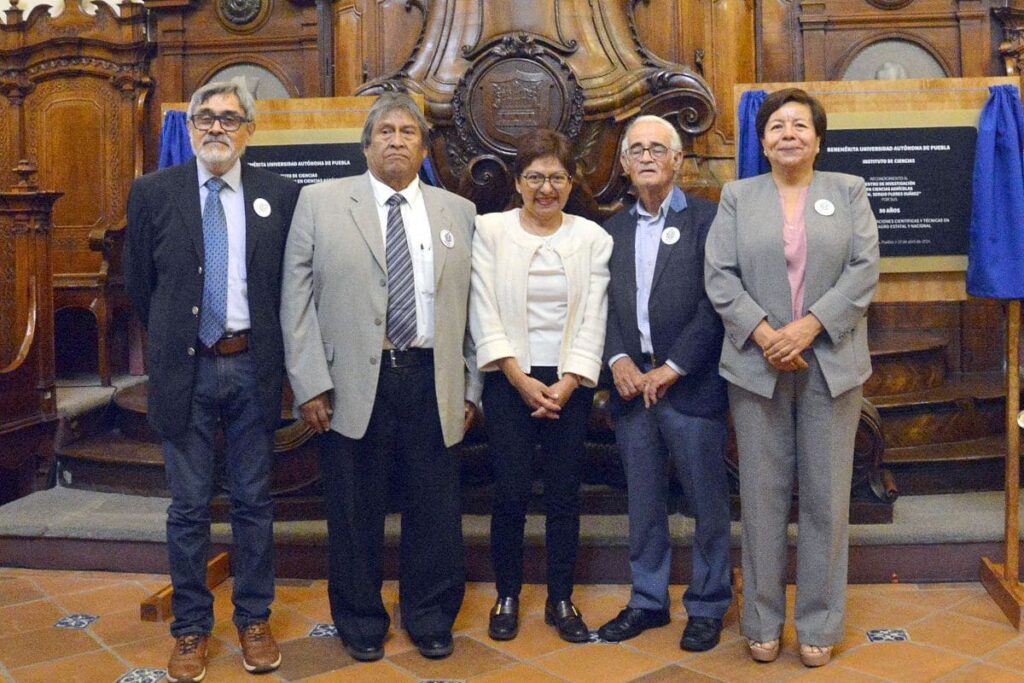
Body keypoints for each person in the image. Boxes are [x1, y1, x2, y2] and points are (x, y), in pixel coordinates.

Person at [280, 92, 480, 662]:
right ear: (366, 145)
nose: (396, 140)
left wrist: (471, 386)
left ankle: (430, 616)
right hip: (349, 384)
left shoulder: (457, 211)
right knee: (353, 510)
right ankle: (361, 620)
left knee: (434, 508)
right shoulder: (319, 202)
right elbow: (295, 301)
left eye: (407, 132)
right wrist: (310, 383)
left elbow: (474, 307)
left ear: (424, 148)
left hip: (432, 379)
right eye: (385, 132)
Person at [125, 80, 300, 682]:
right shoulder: (153, 193)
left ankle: (254, 619)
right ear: (191, 127)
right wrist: (177, 339)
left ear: (250, 130)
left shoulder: (280, 194)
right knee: (188, 506)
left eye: (229, 118)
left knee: (253, 502)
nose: (216, 128)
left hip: (253, 365)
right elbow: (140, 286)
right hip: (186, 369)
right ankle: (192, 627)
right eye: (205, 117)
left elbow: (289, 285)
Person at [704, 88, 879, 667]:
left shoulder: (848, 191)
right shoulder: (737, 196)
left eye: (800, 125)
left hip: (831, 364)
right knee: (761, 498)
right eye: (777, 125)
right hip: (757, 367)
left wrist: (807, 328)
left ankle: (820, 623)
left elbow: (864, 271)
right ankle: (760, 620)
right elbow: (720, 275)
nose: (788, 134)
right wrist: (765, 335)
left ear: (818, 140)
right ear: (762, 140)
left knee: (827, 500)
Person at [596, 115, 732, 652]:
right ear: (625, 164)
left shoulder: (709, 220)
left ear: (677, 160)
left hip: (690, 385)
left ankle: (708, 603)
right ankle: (648, 600)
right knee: (644, 501)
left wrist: (673, 367)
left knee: (706, 502)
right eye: (638, 150)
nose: (647, 157)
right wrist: (617, 359)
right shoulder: (611, 231)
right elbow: (601, 305)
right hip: (632, 389)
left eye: (658, 148)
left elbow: (715, 305)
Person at [470, 128, 611, 644]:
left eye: (556, 177)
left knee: (563, 494)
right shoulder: (489, 231)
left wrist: (569, 381)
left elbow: (595, 315)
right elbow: (482, 308)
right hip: (509, 379)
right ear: (517, 182)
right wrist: (518, 377)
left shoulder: (592, 238)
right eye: (534, 177)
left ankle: (561, 598)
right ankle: (507, 595)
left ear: (571, 183)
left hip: (569, 383)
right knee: (509, 491)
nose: (545, 188)